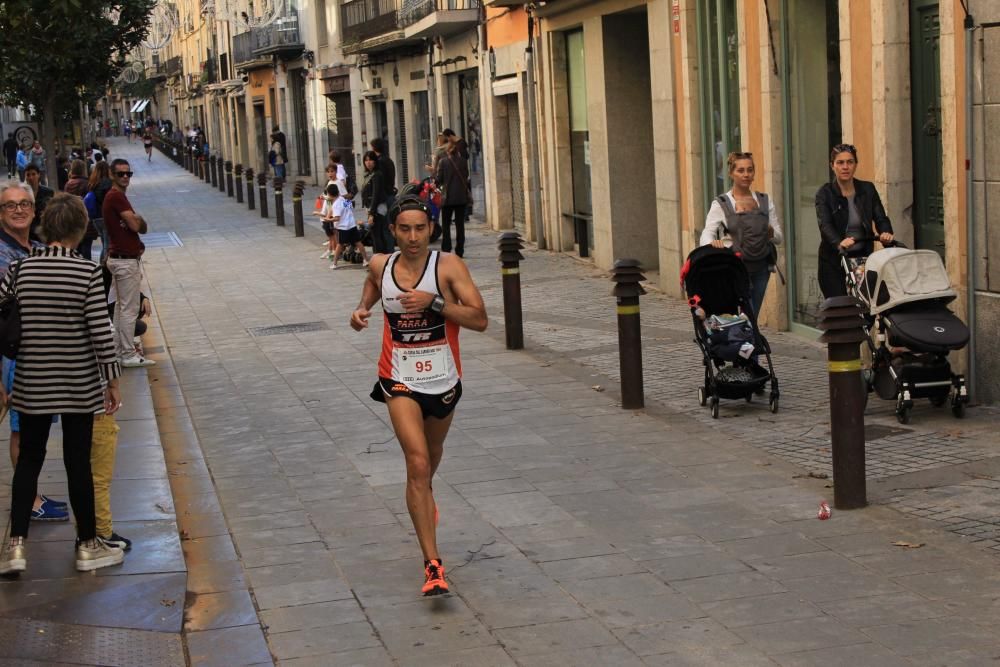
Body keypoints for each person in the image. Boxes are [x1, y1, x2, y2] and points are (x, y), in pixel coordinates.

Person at [350, 190, 487, 596]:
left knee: (431, 459)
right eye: (405, 229)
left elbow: (479, 319)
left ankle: (423, 499)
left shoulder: (447, 267)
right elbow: (372, 284)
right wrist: (361, 310)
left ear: (431, 229)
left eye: (420, 229)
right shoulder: (380, 263)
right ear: (391, 231)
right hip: (398, 379)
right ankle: (433, 565)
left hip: (444, 379)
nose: (413, 237)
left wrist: (436, 303)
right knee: (417, 462)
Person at [0, 193, 124, 576]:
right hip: (77, 382)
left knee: (29, 463)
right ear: (80, 228)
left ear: (44, 226)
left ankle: (15, 546)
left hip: (33, 381)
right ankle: (88, 544)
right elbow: (101, 333)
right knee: (77, 464)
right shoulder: (86, 272)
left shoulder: (19, 270)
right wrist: (112, 380)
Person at [0, 180, 69, 523]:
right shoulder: (1, 253)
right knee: (21, 430)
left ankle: (32, 495)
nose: (17, 210)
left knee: (28, 430)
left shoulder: (35, 248)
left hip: (37, 353)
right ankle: (28, 502)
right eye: (9, 205)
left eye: (23, 204)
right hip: (11, 356)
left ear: (34, 209)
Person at [700, 151, 783, 317]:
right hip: (735, 268)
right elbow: (706, 234)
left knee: (752, 314)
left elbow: (779, 238)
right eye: (741, 170)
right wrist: (713, 244)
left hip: (761, 268)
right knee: (745, 314)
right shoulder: (722, 203)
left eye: (750, 170)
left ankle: (747, 340)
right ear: (731, 173)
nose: (746, 174)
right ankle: (747, 341)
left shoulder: (764, 200)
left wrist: (770, 232)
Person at [816, 143, 894, 298]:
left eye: (850, 162)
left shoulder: (867, 189)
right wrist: (839, 242)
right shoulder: (825, 194)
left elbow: (880, 216)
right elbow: (825, 225)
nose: (845, 167)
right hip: (834, 261)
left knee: (869, 305)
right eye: (840, 162)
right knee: (839, 309)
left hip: (863, 259)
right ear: (833, 166)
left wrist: (886, 233)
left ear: (855, 165)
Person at [103, 159, 154, 367]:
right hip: (124, 261)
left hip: (119, 259)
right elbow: (136, 225)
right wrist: (138, 220)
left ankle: (118, 351)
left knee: (119, 309)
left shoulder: (114, 197)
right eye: (120, 173)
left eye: (128, 174)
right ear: (111, 174)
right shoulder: (116, 197)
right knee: (128, 309)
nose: (125, 177)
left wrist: (136, 221)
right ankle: (127, 354)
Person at [435, 140, 470, 257]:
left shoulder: (443, 162)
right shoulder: (463, 162)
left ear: (447, 151)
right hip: (461, 198)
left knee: (446, 224)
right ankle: (460, 250)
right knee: (460, 225)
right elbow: (466, 176)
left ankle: (446, 248)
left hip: (448, 198)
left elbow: (439, 179)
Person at [326, 183, 367, 270]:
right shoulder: (344, 199)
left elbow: (337, 218)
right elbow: (351, 208)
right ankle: (365, 260)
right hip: (352, 225)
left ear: (329, 194)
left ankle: (334, 263)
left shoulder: (336, 204)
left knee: (340, 245)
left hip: (343, 227)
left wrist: (328, 220)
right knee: (358, 242)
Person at [361, 150, 393, 254]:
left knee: (377, 234)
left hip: (377, 208)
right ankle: (380, 257)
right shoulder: (368, 174)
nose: (368, 162)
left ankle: (380, 258)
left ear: (375, 161)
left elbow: (376, 194)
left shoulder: (377, 175)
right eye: (366, 160)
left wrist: (371, 213)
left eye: (370, 160)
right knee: (375, 234)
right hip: (371, 207)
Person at [23, 165, 53, 242]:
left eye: (33, 174)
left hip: (43, 230)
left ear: (38, 175)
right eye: (28, 175)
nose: (31, 177)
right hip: (26, 230)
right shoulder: (21, 193)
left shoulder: (48, 192)